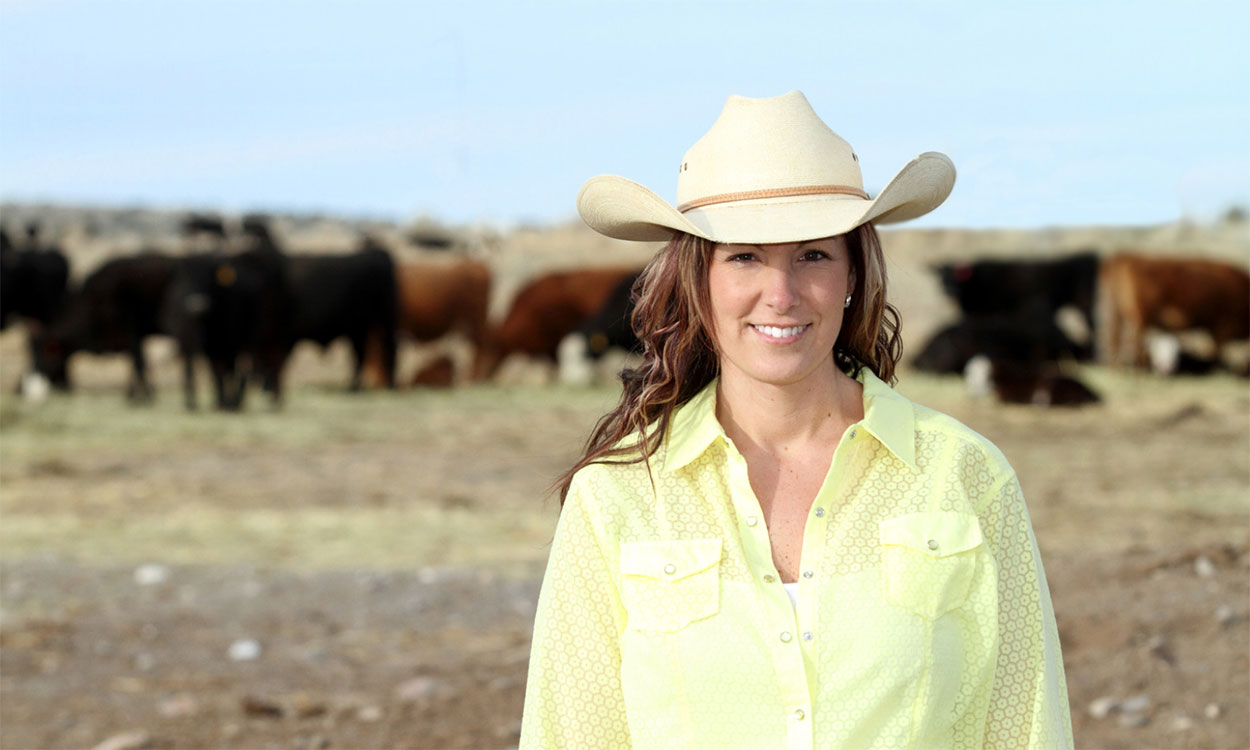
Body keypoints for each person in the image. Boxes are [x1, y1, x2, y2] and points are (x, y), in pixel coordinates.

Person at [519, 91, 1073, 750]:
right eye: (745, 256)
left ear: (852, 274)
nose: (780, 295)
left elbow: (1026, 727)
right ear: (701, 281)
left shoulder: (964, 476)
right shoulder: (618, 497)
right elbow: (568, 735)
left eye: (812, 255)